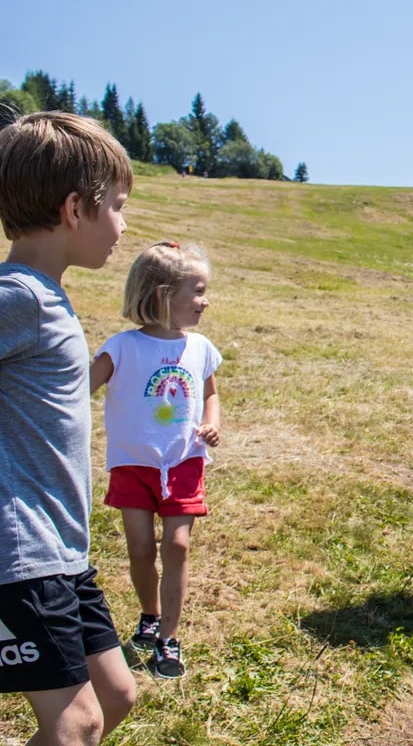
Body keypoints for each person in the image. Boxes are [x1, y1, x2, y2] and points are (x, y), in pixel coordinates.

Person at [0, 111, 136, 744]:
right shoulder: (20, 294)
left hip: (62, 549)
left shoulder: (45, 294)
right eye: (117, 206)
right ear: (75, 208)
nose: (123, 224)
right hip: (20, 552)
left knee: (115, 695)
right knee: (76, 722)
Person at [90, 242, 222, 680]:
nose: (205, 300)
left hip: (183, 462)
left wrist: (211, 423)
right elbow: (77, 389)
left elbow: (209, 393)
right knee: (141, 548)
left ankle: (169, 636)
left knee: (177, 546)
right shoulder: (122, 347)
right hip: (133, 464)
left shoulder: (200, 347)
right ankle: (149, 614)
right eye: (197, 291)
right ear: (164, 294)